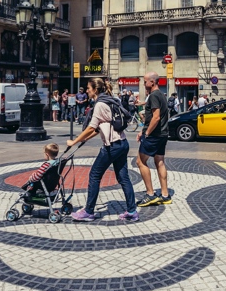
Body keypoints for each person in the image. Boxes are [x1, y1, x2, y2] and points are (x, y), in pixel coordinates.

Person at [67, 78, 138, 222]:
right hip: (122, 143)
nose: (87, 90)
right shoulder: (109, 100)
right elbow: (99, 127)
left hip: (112, 146)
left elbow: (92, 127)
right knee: (123, 177)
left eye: (88, 88)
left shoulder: (99, 104)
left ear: (95, 89)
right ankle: (132, 211)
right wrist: (85, 138)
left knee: (94, 175)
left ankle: (88, 211)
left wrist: (75, 141)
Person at [137, 72, 172, 207]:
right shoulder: (161, 95)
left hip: (155, 135)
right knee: (160, 162)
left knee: (141, 162)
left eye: (145, 81)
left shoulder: (154, 96)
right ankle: (165, 195)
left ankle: (150, 194)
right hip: (163, 134)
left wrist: (147, 133)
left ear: (152, 82)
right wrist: (142, 130)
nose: (144, 84)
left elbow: (156, 117)